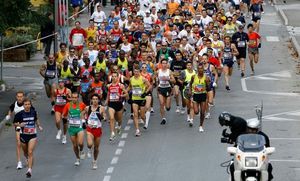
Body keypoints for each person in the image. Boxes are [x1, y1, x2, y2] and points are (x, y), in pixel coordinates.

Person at [13, 98, 43, 178]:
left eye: (28, 104)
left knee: (30, 152)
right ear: (23, 105)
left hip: (32, 135)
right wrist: (20, 125)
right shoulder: (19, 114)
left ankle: (29, 170)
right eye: (25, 104)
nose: (27, 106)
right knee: (25, 153)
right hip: (23, 135)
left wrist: (39, 126)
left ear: (30, 105)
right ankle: (27, 158)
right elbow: (14, 124)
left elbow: (36, 119)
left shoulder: (34, 112)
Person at [62, 92, 86, 166]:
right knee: (75, 145)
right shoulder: (68, 105)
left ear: (78, 98)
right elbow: (63, 115)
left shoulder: (82, 104)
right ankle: (77, 158)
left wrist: (84, 119)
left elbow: (86, 111)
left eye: (76, 97)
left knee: (80, 143)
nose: (75, 99)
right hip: (72, 128)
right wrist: (65, 119)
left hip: (79, 127)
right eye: (73, 97)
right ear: (71, 98)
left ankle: (81, 150)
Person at [128, 68, 152, 136]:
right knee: (135, 114)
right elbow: (130, 87)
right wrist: (125, 92)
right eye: (135, 71)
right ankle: (137, 130)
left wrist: (145, 92)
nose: (136, 73)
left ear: (139, 72)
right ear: (133, 72)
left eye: (137, 71)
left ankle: (146, 122)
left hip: (142, 99)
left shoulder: (143, 79)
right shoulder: (131, 79)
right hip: (134, 99)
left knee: (142, 115)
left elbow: (150, 86)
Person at [5, 91, 25, 169]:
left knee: (25, 144)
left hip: (26, 125)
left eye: (21, 96)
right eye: (18, 96)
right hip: (17, 124)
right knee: (18, 143)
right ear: (16, 97)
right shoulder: (14, 104)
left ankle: (26, 156)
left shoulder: (26, 104)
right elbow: (10, 109)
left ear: (23, 97)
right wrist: (9, 115)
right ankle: (19, 162)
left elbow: (33, 112)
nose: (20, 98)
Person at [84, 94, 105, 169]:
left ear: (98, 100)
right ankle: (89, 149)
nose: (95, 100)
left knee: (96, 148)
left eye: (96, 99)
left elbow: (104, 116)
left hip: (98, 129)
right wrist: (84, 121)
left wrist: (104, 118)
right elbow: (83, 114)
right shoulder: (87, 108)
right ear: (91, 100)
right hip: (90, 129)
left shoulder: (101, 108)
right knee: (89, 144)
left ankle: (95, 161)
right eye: (93, 99)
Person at [106, 72, 128, 141]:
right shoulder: (109, 86)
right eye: (113, 76)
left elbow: (126, 94)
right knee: (112, 118)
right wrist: (106, 101)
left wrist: (121, 96)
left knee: (119, 119)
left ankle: (119, 126)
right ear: (111, 77)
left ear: (118, 77)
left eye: (115, 76)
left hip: (118, 104)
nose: (114, 78)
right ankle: (112, 133)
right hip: (111, 104)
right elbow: (108, 94)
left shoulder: (121, 85)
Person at [189, 63, 210, 132]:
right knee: (196, 111)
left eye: (201, 69)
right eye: (199, 69)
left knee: (202, 112)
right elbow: (190, 84)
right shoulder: (193, 77)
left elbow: (209, 88)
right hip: (196, 95)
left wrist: (207, 83)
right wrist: (190, 90)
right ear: (197, 70)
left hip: (203, 95)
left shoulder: (206, 77)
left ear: (203, 69)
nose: (200, 70)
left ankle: (201, 126)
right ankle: (194, 115)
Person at [156, 59, 175, 125]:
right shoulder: (158, 71)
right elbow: (154, 79)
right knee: (161, 103)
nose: (164, 65)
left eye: (165, 63)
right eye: (163, 63)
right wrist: (156, 85)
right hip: (161, 88)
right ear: (161, 64)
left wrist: (168, 79)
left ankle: (168, 106)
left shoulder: (169, 72)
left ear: (167, 64)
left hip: (167, 88)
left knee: (167, 107)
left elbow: (174, 81)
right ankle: (163, 118)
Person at [52, 79, 72, 144]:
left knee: (64, 123)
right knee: (57, 121)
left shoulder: (68, 90)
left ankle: (64, 136)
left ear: (64, 83)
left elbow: (71, 99)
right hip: (57, 107)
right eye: (59, 83)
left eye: (62, 83)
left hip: (65, 107)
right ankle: (59, 130)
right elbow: (54, 97)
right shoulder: (55, 90)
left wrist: (66, 98)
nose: (61, 84)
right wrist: (54, 102)